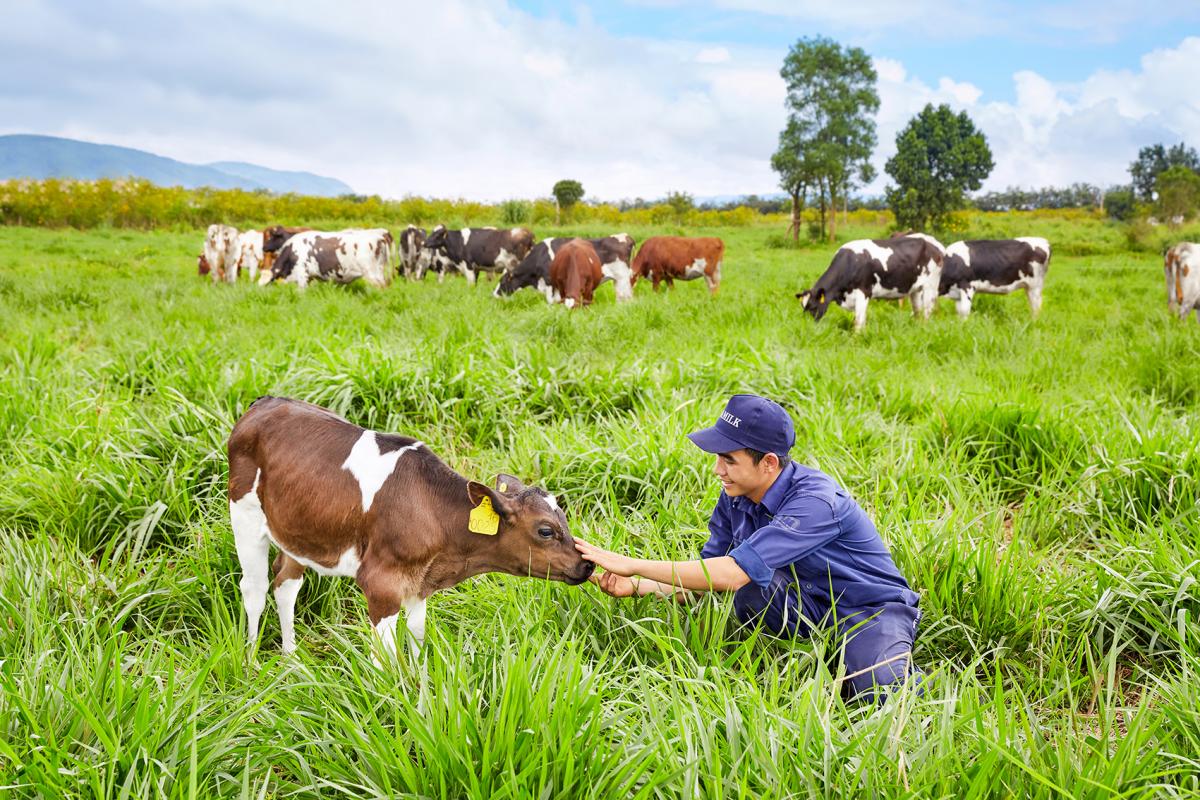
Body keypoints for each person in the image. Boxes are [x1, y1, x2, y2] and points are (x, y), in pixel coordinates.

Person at [574, 393, 922, 701]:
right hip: (803, 605)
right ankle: (808, 660)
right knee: (751, 588)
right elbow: (707, 578)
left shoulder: (816, 501)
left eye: (728, 460)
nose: (717, 470)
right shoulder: (735, 496)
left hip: (866, 610)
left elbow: (729, 573)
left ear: (768, 462)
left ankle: (900, 675)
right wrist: (633, 587)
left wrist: (632, 563)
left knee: (880, 693)